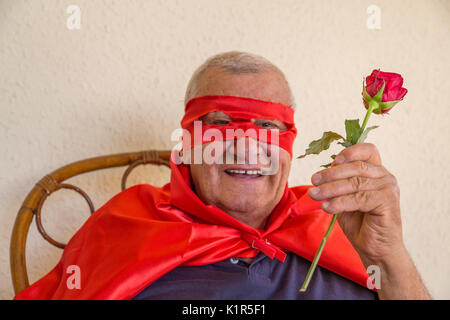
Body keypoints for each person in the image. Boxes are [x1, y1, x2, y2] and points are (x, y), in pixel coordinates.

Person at [15, 51, 431, 300]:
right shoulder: (127, 224)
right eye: (219, 123)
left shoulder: (339, 220)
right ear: (188, 143)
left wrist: (388, 254)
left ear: (290, 143)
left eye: (268, 127)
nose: (247, 145)